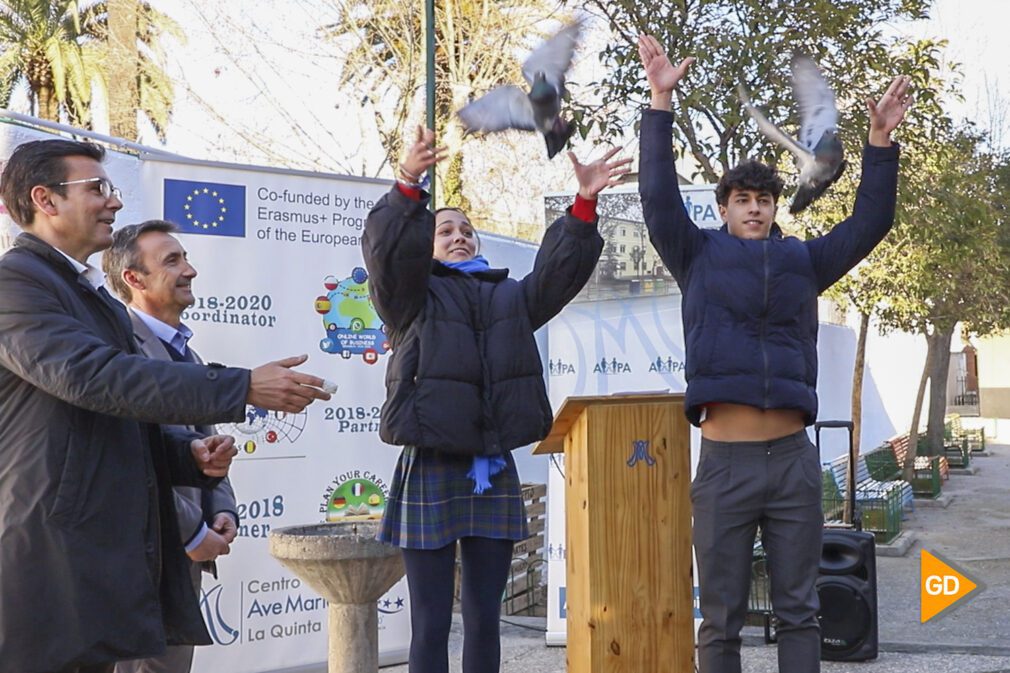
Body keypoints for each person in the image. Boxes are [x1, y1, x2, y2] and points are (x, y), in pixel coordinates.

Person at [0, 139, 331, 673]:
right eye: (98, 189)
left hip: (93, 551)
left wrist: (187, 459)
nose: (113, 202)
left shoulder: (86, 295)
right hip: (46, 556)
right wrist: (241, 386)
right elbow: (95, 378)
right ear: (46, 199)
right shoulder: (15, 282)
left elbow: (111, 421)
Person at [636, 35, 909, 673]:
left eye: (763, 199)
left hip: (792, 462)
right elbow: (656, 198)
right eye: (741, 200)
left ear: (773, 207)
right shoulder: (696, 255)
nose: (754, 208)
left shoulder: (802, 261)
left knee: (798, 611)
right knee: (722, 618)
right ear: (724, 209)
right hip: (725, 465)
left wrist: (879, 144)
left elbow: (869, 224)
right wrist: (660, 102)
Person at [362, 126, 628, 673]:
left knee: (485, 619)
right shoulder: (411, 297)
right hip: (431, 462)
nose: (458, 236)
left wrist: (584, 206)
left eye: (466, 229)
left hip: (491, 465)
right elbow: (389, 255)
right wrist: (408, 184)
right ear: (425, 244)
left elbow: (558, 275)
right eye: (444, 230)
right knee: (432, 622)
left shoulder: (510, 296)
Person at [101, 220, 238, 673]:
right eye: (172, 261)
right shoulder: (120, 353)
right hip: (148, 555)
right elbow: (135, 458)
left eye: (186, 258)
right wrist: (191, 534)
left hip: (187, 556)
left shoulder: (189, 355)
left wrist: (222, 511)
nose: (190, 271)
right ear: (133, 280)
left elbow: (208, 443)